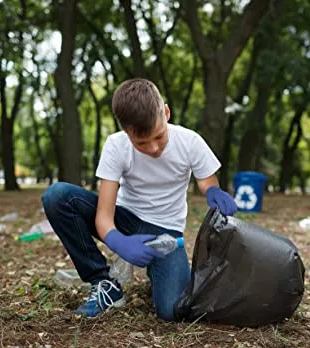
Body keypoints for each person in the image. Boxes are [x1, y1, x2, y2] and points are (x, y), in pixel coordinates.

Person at [42, 78, 237, 321]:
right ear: (125, 130)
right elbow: (103, 216)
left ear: (166, 113)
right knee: (57, 196)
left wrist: (213, 192)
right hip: (125, 218)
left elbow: (207, 181)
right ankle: (104, 282)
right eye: (141, 142)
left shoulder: (190, 142)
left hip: (165, 232)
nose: (154, 148)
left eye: (159, 136)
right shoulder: (116, 146)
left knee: (171, 311)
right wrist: (119, 242)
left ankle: (158, 271)